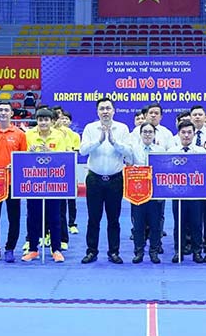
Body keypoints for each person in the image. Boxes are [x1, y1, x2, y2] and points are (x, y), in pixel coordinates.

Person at [79, 97, 133, 264]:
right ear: (97, 111)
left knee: (113, 218)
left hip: (115, 179)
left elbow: (129, 152)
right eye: (102, 108)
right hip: (94, 179)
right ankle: (91, 251)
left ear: (113, 111)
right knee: (93, 218)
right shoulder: (90, 128)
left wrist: (114, 142)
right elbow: (82, 151)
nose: (105, 111)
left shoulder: (122, 128)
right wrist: (99, 140)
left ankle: (114, 252)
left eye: (108, 108)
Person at [22, 108, 71, 263]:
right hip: (33, 182)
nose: (43, 123)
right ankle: (33, 249)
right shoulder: (28, 135)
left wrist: (48, 151)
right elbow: (21, 157)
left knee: (55, 217)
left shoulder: (59, 135)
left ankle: (56, 249)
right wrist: (29, 154)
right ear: (37, 121)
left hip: (53, 182)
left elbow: (63, 158)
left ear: (51, 121)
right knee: (33, 217)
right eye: (40, 120)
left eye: (46, 120)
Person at [0, 101, 28, 263]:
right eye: (0, 110)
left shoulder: (19, 134)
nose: (3, 112)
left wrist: (14, 165)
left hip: (12, 183)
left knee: (14, 217)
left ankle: (10, 248)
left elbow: (23, 158)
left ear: (11, 113)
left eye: (6, 110)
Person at [169, 121, 206, 263]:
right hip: (177, 194)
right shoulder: (171, 152)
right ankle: (178, 251)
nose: (186, 135)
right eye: (183, 132)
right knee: (179, 223)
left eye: (189, 132)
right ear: (179, 134)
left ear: (193, 133)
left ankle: (197, 252)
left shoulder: (202, 152)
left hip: (196, 194)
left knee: (197, 223)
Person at [130, 122, 165, 263]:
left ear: (154, 134)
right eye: (145, 131)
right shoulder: (133, 150)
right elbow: (128, 168)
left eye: (150, 132)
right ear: (140, 134)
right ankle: (139, 252)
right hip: (137, 193)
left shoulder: (161, 150)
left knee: (155, 225)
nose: (147, 134)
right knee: (138, 225)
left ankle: (154, 252)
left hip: (156, 193)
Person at [54, 108, 81, 240]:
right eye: (61, 117)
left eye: (66, 118)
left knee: (71, 199)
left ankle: (72, 223)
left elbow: (73, 152)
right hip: (54, 172)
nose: (63, 120)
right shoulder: (51, 133)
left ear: (70, 122)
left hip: (69, 170)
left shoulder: (73, 135)